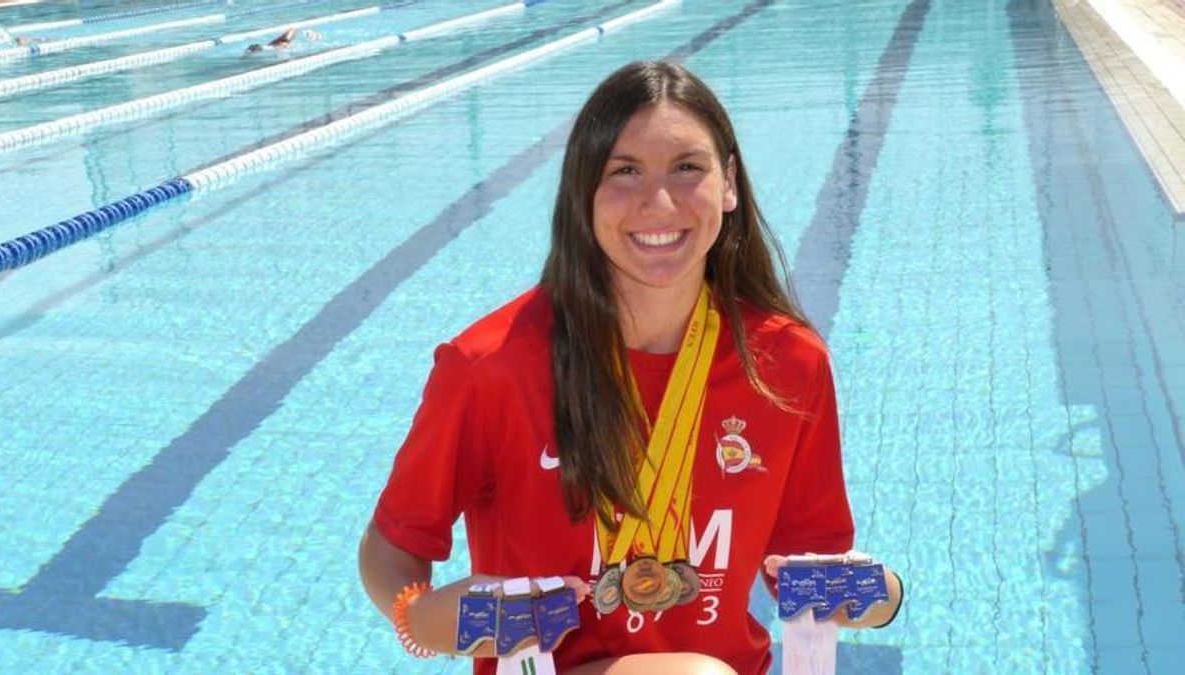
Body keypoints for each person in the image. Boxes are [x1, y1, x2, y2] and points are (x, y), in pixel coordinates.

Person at [359, 60, 903, 674]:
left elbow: (810, 570)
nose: (659, 202)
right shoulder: (493, 367)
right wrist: (419, 614)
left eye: (687, 168)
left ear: (728, 184)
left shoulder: (787, 365)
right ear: (582, 192)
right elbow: (394, 544)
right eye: (625, 172)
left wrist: (882, 595)